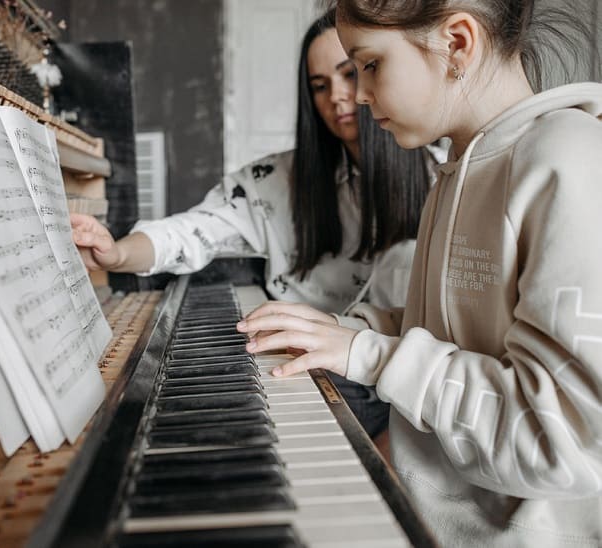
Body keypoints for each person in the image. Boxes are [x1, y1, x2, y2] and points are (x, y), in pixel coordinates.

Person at [237, 0, 602, 545]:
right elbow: (465, 330)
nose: (358, 95)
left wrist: (368, 354)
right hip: (424, 517)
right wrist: (345, 330)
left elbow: (562, 440)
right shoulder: (457, 169)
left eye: (370, 65)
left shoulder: (567, 159)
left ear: (456, 43)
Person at [71, 11, 438, 438]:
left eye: (351, 74)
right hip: (305, 368)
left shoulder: (441, 177)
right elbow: (191, 231)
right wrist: (116, 253)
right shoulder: (276, 179)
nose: (337, 96)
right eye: (319, 85)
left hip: (399, 379)